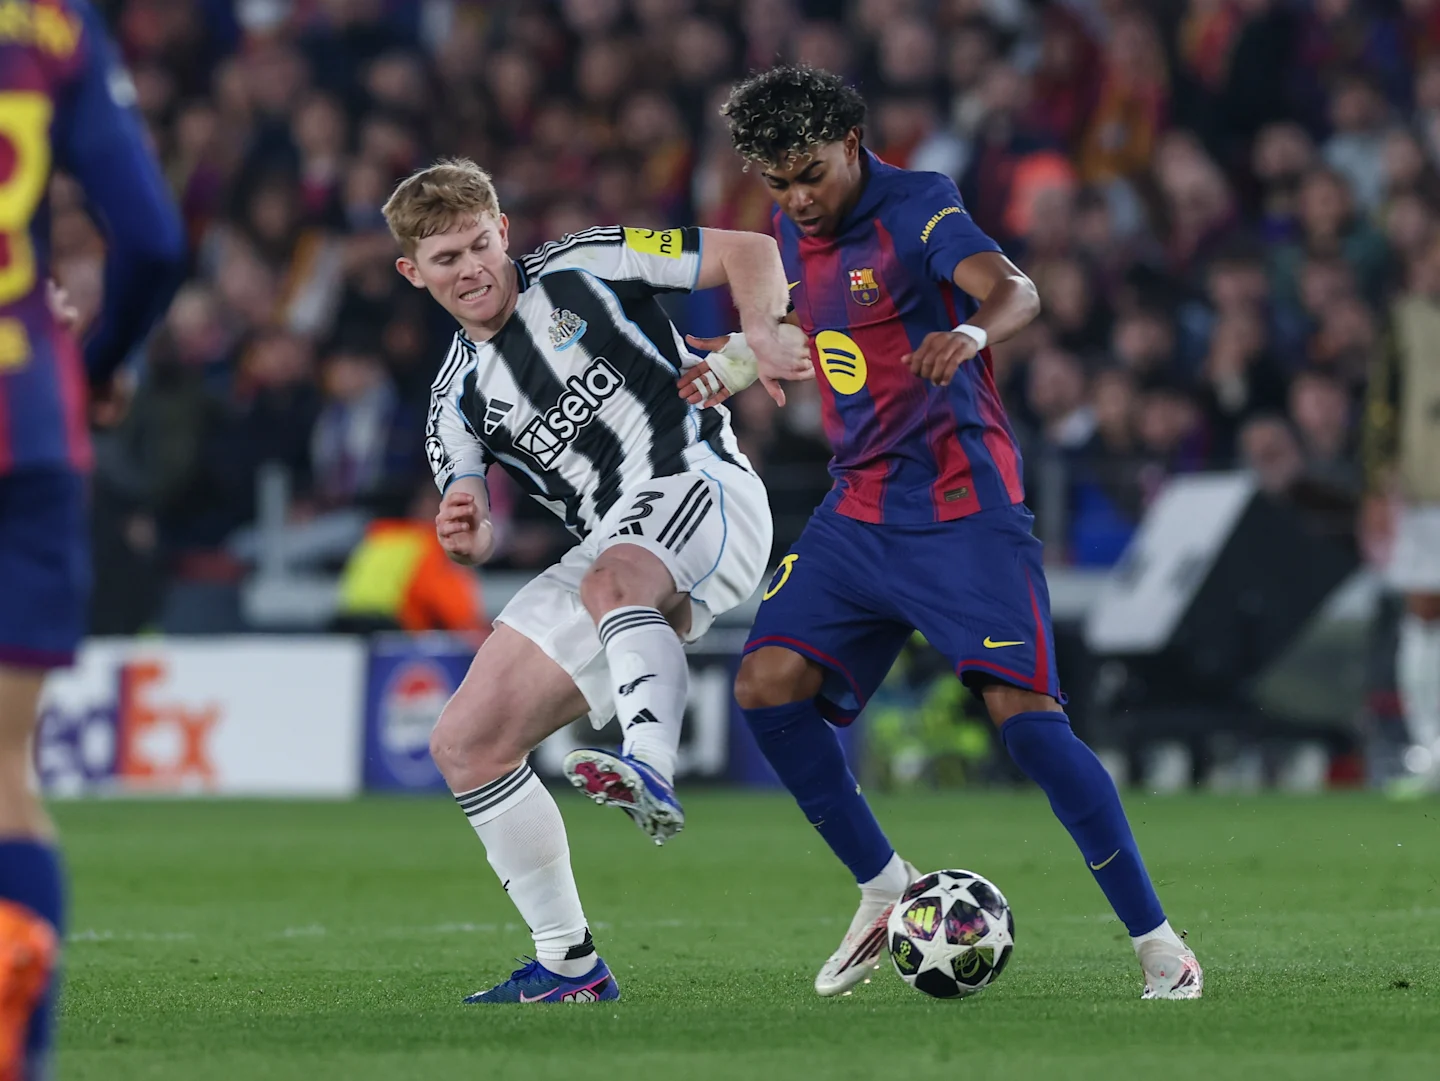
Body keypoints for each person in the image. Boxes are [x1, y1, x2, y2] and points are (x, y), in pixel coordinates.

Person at [683, 66, 1202, 1000]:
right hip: (858, 510)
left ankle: (1161, 944)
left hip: (964, 514)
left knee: (1032, 732)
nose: (797, 198)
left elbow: (1014, 290)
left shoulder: (919, 204)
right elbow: (802, 314)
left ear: (851, 142)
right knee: (765, 687)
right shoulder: (792, 241)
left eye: (810, 173)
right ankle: (884, 886)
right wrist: (726, 365)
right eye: (777, 182)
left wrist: (971, 333)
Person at [383, 158, 808, 1003]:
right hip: (610, 547)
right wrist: (465, 524)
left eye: (478, 245)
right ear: (413, 273)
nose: (469, 270)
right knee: (466, 742)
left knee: (611, 583)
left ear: (504, 231)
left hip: (703, 487)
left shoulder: (589, 262)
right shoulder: (454, 399)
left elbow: (753, 250)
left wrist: (759, 329)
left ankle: (649, 759)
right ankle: (569, 963)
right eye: (445, 260)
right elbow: (467, 499)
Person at [0, 2, 186, 1076]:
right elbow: (154, 238)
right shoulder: (54, 27)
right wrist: (101, 360)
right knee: (5, 772)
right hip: (26, 415)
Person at [1364, 235, 1440, 795]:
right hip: (1423, 489)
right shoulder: (1404, 320)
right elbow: (1383, 403)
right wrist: (1377, 482)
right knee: (1424, 611)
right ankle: (1428, 745)